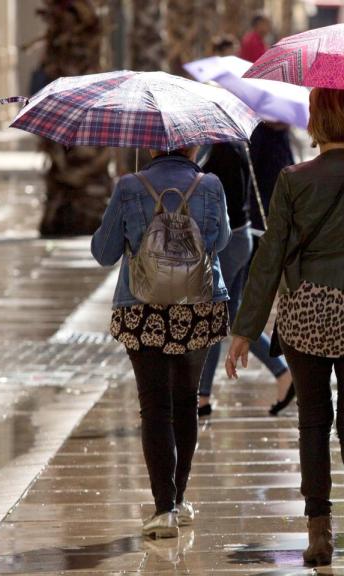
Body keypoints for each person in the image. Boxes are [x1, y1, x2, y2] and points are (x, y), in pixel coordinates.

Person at [226, 87, 344, 566]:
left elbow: (269, 257)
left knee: (313, 421)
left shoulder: (292, 179)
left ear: (315, 123)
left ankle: (320, 534)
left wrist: (245, 329)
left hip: (305, 313)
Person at [90, 147, 231, 539]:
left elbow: (104, 253)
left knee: (154, 406)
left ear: (149, 145)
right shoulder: (211, 185)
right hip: (199, 305)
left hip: (142, 307)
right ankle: (180, 499)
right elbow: (219, 243)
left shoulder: (130, 186)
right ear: (192, 144)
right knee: (186, 401)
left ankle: (163, 509)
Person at [196, 141, 293, 417]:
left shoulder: (223, 150)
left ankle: (201, 397)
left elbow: (220, 200)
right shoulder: (235, 146)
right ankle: (283, 373)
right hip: (242, 237)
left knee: (214, 317)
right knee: (232, 317)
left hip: (230, 241)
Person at [248, 121, 298, 414]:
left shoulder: (264, 137)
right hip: (263, 231)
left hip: (256, 232)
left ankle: (281, 370)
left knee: (233, 311)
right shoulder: (278, 136)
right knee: (231, 310)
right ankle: (201, 397)